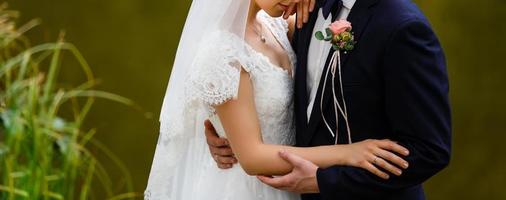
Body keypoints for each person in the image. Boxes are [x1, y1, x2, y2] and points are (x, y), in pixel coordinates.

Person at [145, 0, 412, 199]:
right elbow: (252, 158)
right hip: (247, 189)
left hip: (293, 185)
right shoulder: (222, 52)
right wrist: (349, 153)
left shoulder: (275, 26)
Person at [205, 0, 452, 199]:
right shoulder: (304, 10)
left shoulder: (402, 27)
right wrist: (224, 130)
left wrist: (327, 182)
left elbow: (430, 150)